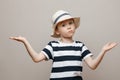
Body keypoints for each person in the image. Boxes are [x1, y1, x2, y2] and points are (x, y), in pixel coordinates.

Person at [10, 10, 117, 80]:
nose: (69, 27)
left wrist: (103, 51)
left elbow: (92, 65)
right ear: (57, 31)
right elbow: (36, 58)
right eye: (64, 25)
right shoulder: (53, 45)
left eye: (70, 23)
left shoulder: (80, 46)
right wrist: (25, 41)